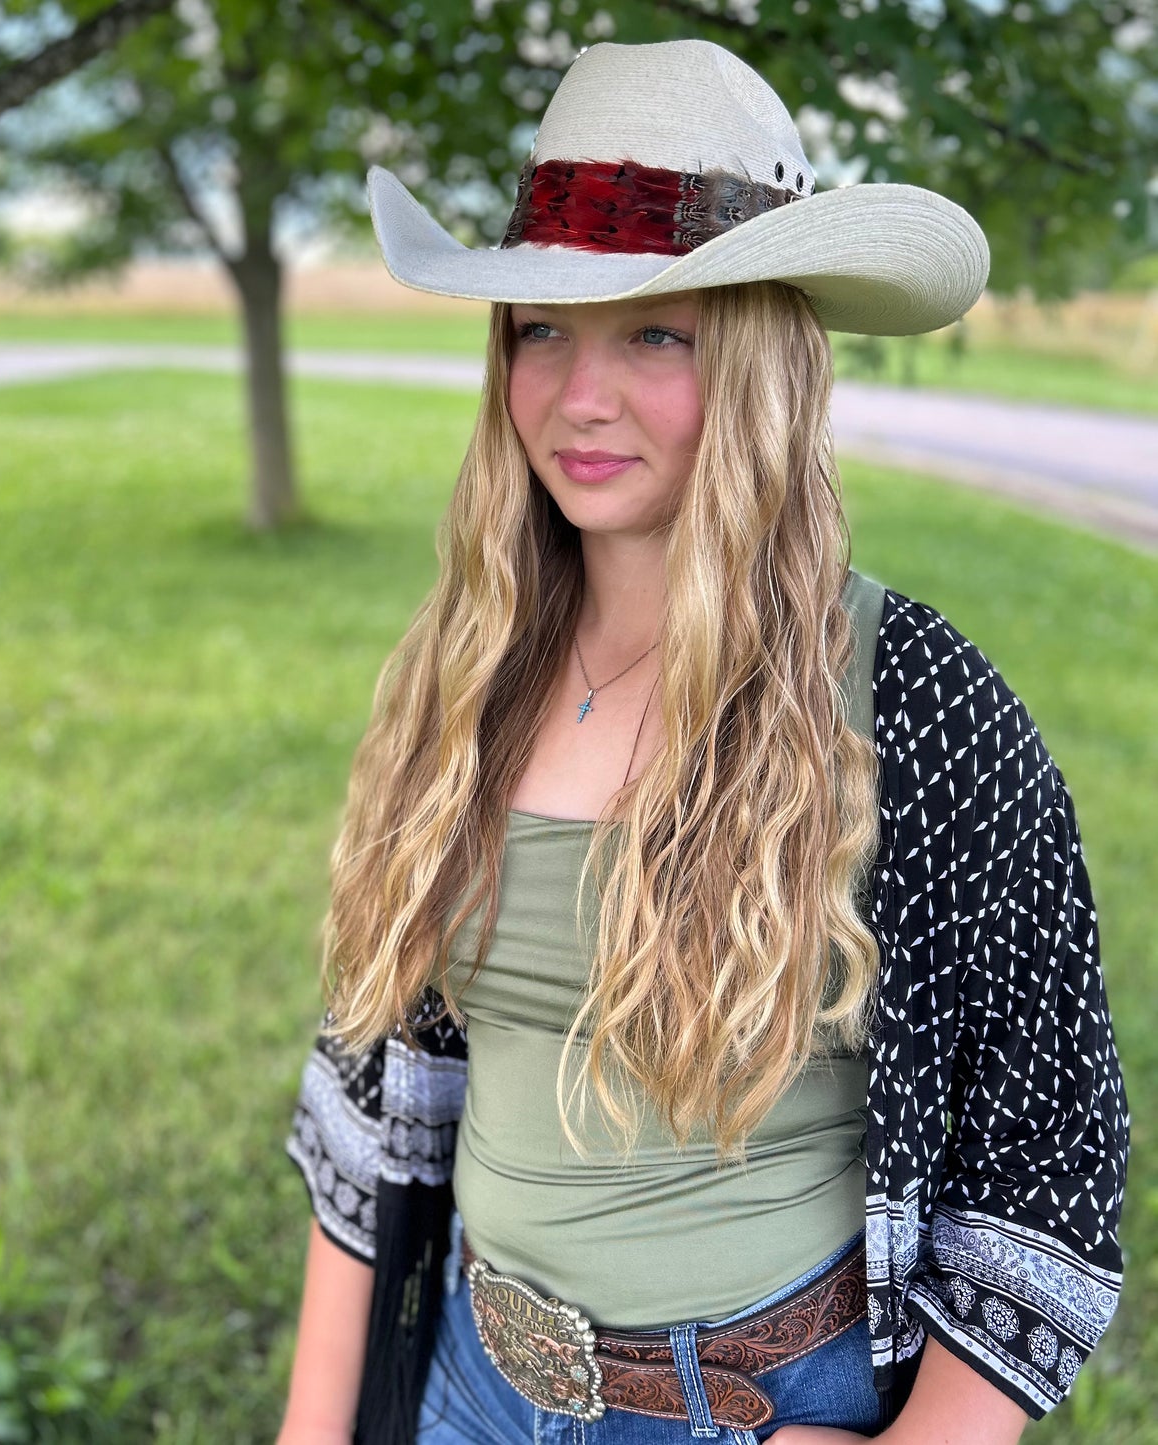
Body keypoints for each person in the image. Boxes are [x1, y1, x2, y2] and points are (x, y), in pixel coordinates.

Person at [278, 38, 1128, 1445]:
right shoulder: (468, 667)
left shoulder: (911, 696)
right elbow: (374, 1094)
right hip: (471, 1387)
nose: (580, 395)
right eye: (542, 330)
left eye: (655, 335)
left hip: (743, 1404)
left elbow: (1049, 1141)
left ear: (759, 365)